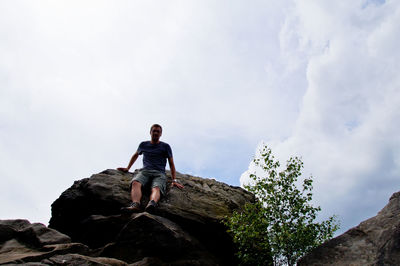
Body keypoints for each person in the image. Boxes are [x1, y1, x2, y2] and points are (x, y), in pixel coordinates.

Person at [117, 124, 184, 213]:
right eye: (154, 131)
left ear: (161, 134)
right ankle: (135, 204)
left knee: (157, 187)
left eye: (158, 131)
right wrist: (127, 168)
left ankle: (152, 204)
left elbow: (171, 163)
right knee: (135, 182)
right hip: (145, 171)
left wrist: (174, 180)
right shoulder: (143, 144)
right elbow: (135, 155)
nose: (156, 133)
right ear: (150, 132)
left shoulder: (165, 146)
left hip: (159, 173)